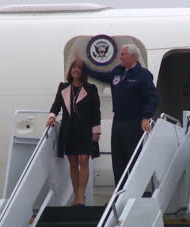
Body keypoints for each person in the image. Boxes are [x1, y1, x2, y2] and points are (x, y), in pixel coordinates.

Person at [81, 44, 158, 187]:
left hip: (134, 122)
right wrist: (85, 68)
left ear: (133, 57)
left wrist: (146, 117)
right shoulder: (118, 71)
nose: (120, 57)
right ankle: (118, 194)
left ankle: (134, 191)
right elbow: (102, 76)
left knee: (133, 159)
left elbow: (152, 98)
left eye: (123, 54)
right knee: (117, 159)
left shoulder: (143, 75)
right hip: (118, 121)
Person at [46, 60, 101, 206]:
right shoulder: (63, 87)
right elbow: (56, 105)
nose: (76, 70)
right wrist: (52, 116)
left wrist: (96, 131)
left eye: (79, 68)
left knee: (84, 160)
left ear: (84, 72)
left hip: (85, 129)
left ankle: (81, 195)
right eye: (74, 68)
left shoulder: (91, 88)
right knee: (73, 162)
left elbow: (96, 111)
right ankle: (76, 194)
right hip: (69, 129)